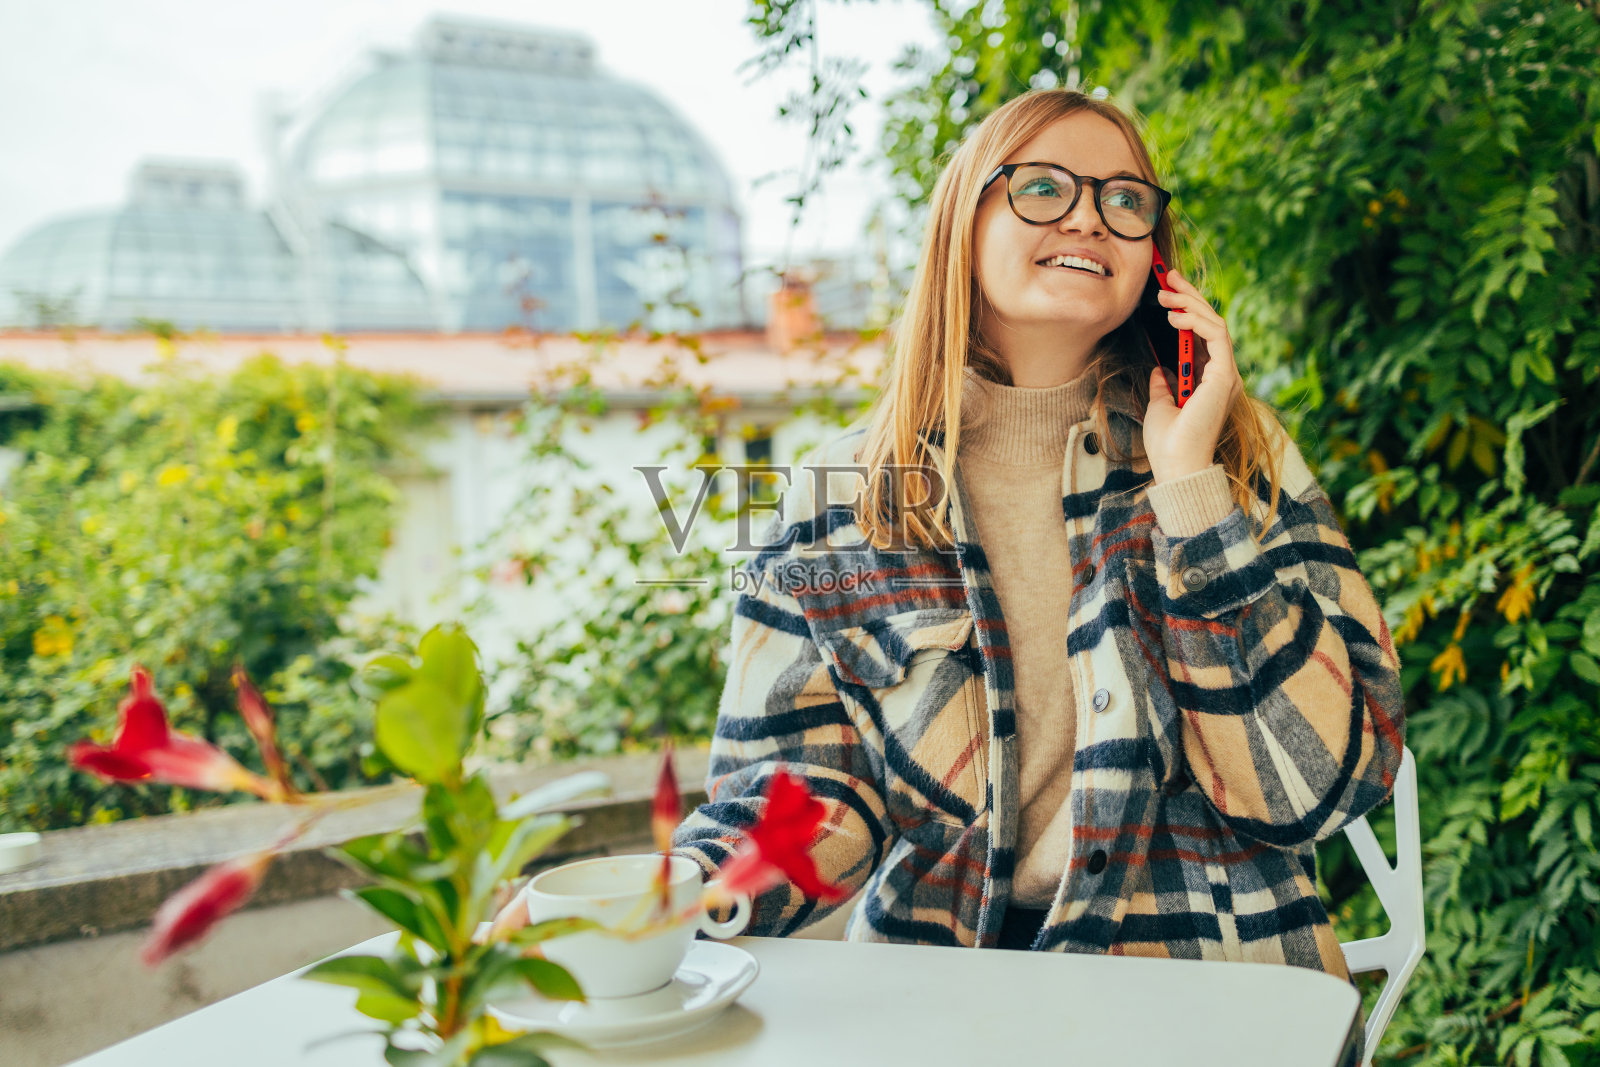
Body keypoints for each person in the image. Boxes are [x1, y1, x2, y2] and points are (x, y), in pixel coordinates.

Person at [671, 86, 1402, 1063]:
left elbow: (1321, 783)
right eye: (1044, 187)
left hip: (1215, 988)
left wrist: (1190, 492)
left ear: (1156, 252)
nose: (1088, 218)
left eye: (1123, 199)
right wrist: (670, 895)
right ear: (963, 217)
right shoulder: (833, 496)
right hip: (944, 999)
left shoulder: (1235, 452)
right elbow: (802, 794)